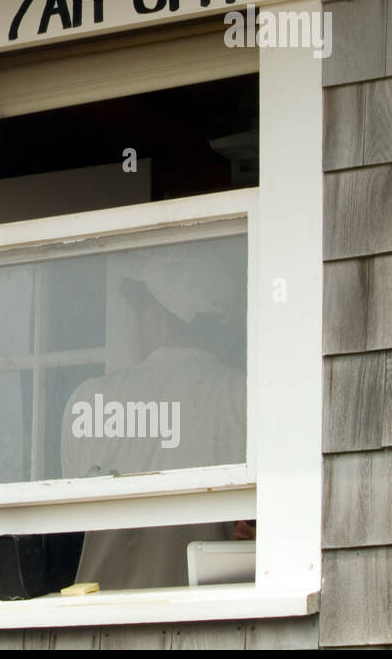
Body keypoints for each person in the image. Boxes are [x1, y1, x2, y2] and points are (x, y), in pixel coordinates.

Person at [58, 239, 250, 590]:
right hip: (208, 610)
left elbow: (69, 522)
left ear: (155, 318)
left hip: (98, 610)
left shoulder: (89, 400)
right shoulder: (247, 397)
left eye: (137, 311)